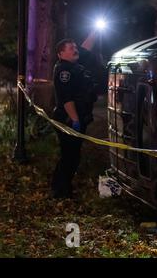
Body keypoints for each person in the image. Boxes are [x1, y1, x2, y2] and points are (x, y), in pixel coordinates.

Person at [51, 33, 99, 199]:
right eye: (71, 48)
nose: (75, 50)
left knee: (73, 155)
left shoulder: (74, 64)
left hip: (76, 118)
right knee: (69, 156)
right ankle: (60, 191)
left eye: (75, 47)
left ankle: (62, 187)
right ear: (61, 54)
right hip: (68, 119)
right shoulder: (64, 70)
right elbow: (66, 98)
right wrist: (75, 119)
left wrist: (95, 31)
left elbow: (85, 48)